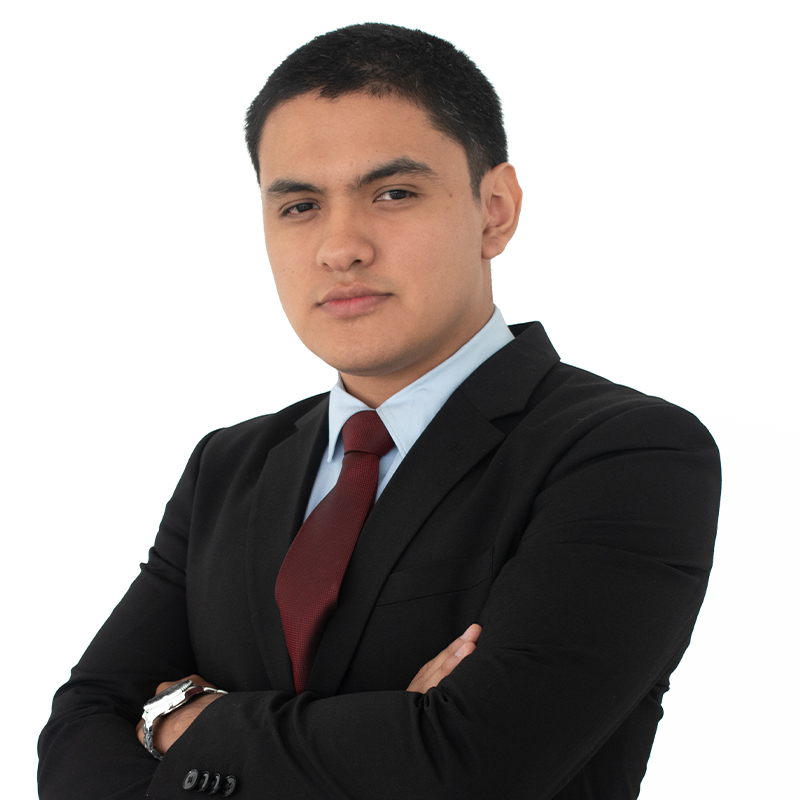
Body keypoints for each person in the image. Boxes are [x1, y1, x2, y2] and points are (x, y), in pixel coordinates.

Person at [38, 22, 721, 800]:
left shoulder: (626, 452)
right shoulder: (228, 466)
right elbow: (76, 739)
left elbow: (475, 768)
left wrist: (179, 724)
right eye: (300, 205)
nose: (341, 247)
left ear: (495, 210)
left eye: (393, 194)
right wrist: (395, 727)